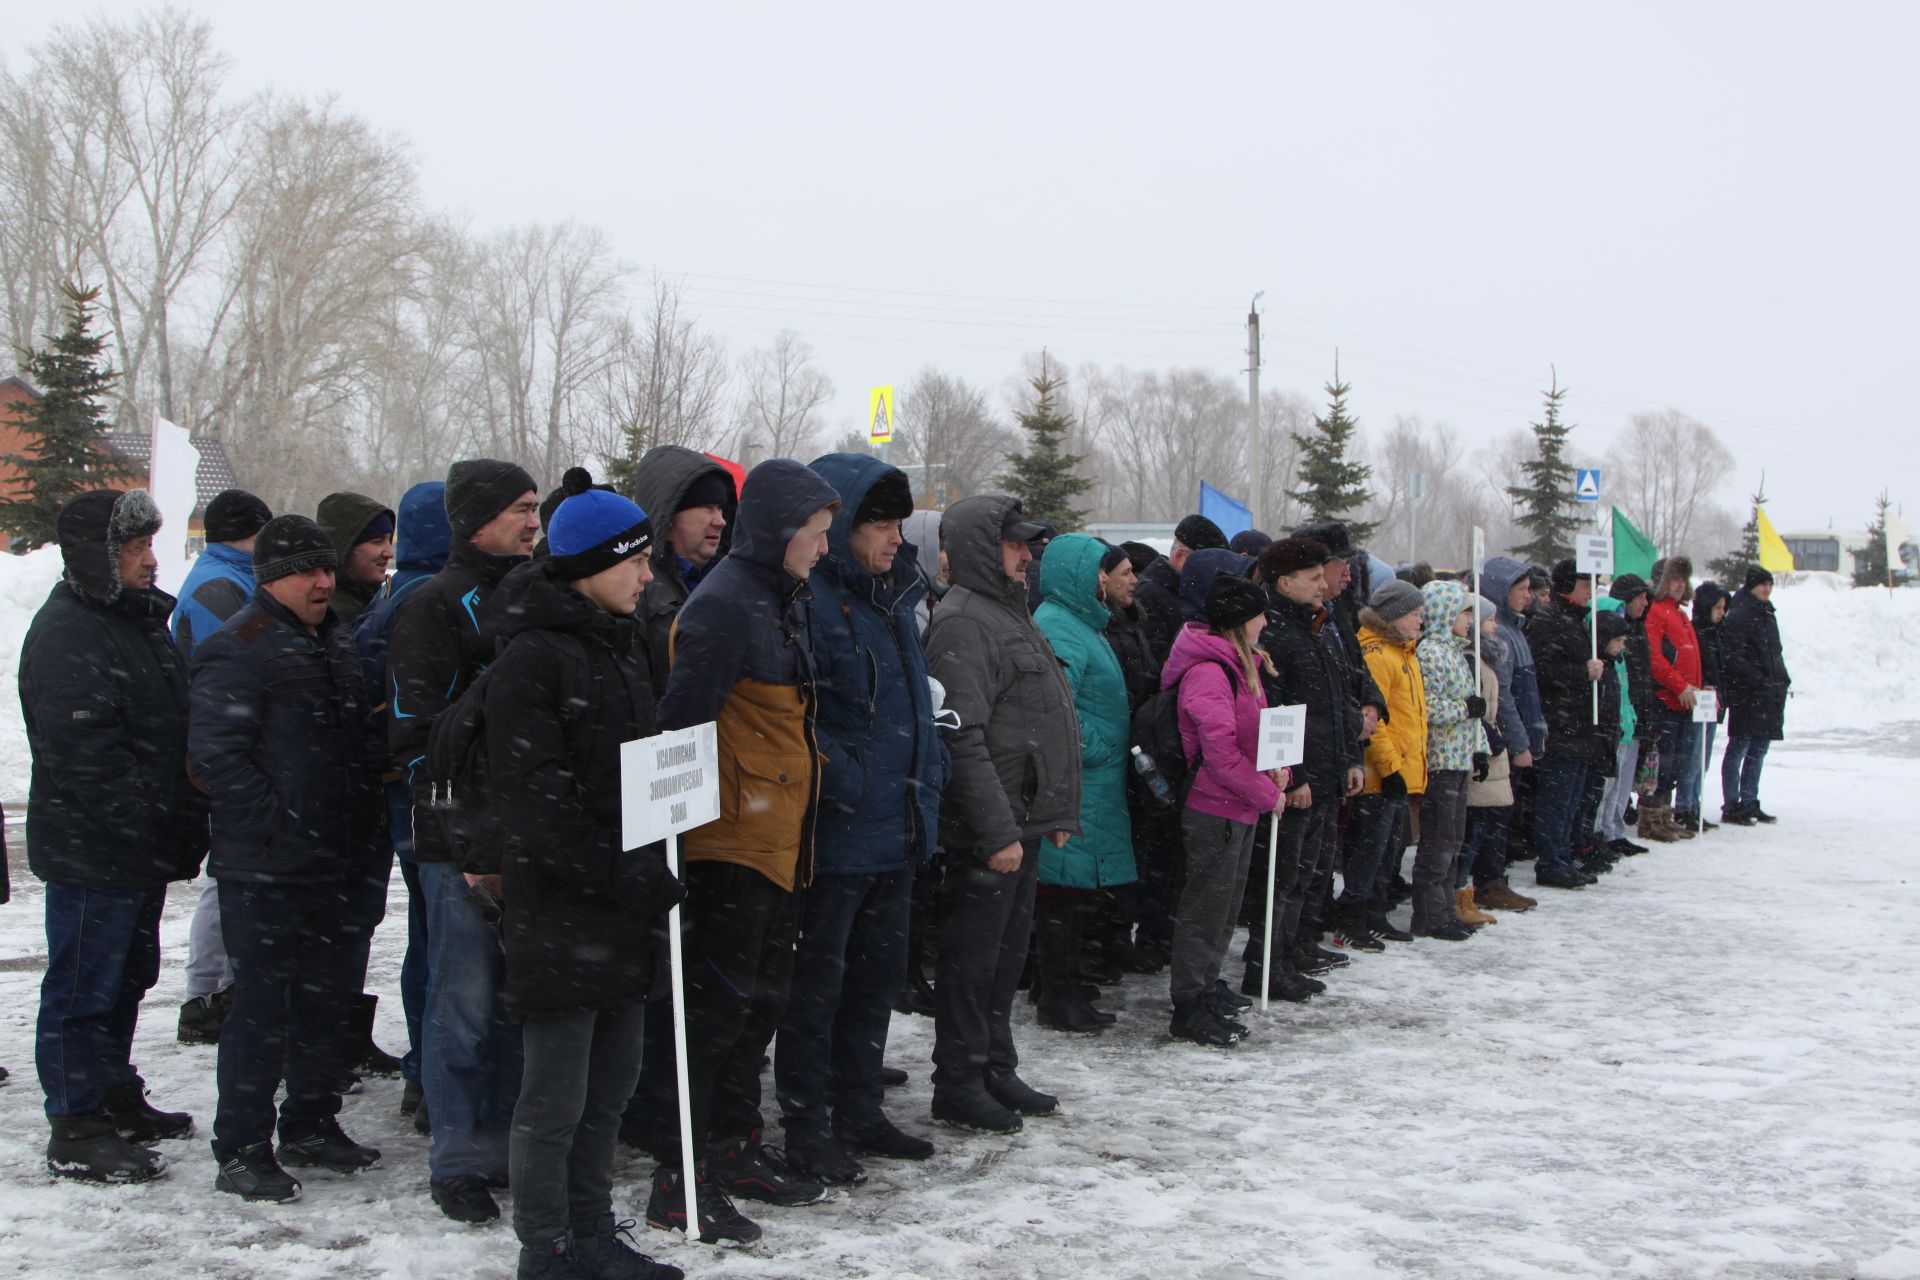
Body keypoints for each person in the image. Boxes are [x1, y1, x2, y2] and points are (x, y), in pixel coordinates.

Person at [478, 489, 685, 1280]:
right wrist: (621, 871)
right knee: (555, 1100)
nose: (645, 576)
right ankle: (548, 1247)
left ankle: (594, 1232)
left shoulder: (621, 643)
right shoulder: (533, 656)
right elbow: (536, 805)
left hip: (621, 905)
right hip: (562, 912)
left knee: (610, 1092)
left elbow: (635, 767)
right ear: (593, 565)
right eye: (633, 562)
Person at [644, 457, 842, 1244]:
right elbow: (679, 726)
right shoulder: (725, 606)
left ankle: (731, 1149)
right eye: (817, 535)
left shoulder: (776, 597)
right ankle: (679, 1179)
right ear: (780, 531)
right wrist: (673, 846)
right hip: (728, 849)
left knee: (756, 1010)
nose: (824, 550)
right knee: (710, 1020)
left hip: (777, 841)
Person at [189, 515, 387, 1203]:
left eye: (328, 569)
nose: (324, 581)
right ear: (272, 576)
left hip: (334, 862)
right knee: (261, 1010)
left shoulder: (334, 640)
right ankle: (241, 1145)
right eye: (309, 570)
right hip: (265, 868)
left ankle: (310, 1120)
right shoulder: (238, 646)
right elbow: (217, 757)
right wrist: (275, 827)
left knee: (325, 1003)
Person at [21, 488, 207, 1184]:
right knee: (82, 986)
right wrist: (144, 820)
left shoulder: (134, 621)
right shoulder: (72, 631)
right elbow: (83, 754)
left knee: (127, 976)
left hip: (135, 846)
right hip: (94, 848)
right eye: (133, 549)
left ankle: (109, 1089)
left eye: (148, 546)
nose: (149, 561)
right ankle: (75, 1120)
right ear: (98, 558)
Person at [774, 453, 945, 1190]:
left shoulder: (895, 596)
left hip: (896, 827)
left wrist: (921, 790)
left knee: (875, 983)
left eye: (899, 522)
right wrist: (849, 783)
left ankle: (860, 1109)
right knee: (817, 993)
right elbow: (799, 722)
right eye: (878, 521)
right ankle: (807, 1128)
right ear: (840, 524)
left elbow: (915, 712)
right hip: (836, 835)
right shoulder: (807, 601)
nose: (894, 537)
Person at [389, 458, 541, 1224]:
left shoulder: (538, 591)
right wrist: (464, 840)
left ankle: (508, 1145)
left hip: (532, 837)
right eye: (519, 507)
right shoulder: (435, 603)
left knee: (520, 1003)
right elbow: (415, 738)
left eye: (535, 505)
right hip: (463, 846)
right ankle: (458, 1157)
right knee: (464, 1004)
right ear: (477, 518)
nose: (532, 519)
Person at [923, 494, 1081, 1135]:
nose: (1027, 555)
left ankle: (994, 1066)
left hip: (1023, 824)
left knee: (1005, 957)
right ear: (983, 552)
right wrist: (997, 832)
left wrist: (1052, 813)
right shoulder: (963, 620)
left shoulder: (1009, 614)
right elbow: (962, 736)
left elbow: (1042, 720)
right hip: (991, 832)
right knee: (972, 961)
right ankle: (959, 1080)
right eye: (1015, 545)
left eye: (1027, 546)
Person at [352, 480, 452, 1127]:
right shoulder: (429, 597)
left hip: (403, 791)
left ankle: (424, 1068)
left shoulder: (390, 595)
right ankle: (432, 1072)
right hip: (428, 792)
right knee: (443, 937)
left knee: (428, 932)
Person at [1164, 573, 1284, 1046]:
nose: (1265, 622)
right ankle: (1189, 1002)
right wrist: (1266, 793)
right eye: (1259, 613)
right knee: (1205, 910)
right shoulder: (1210, 672)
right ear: (1238, 621)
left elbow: (1258, 738)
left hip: (1241, 805)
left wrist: (1280, 773)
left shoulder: (1242, 666)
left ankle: (1208, 987)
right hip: (1214, 807)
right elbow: (1220, 752)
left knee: (1225, 907)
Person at [171, 487, 272, 1047]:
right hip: (221, 748)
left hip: (221, 744)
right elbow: (233, 656)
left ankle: (217, 988)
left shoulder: (227, 577)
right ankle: (205, 993)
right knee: (225, 875)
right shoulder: (219, 585)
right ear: (250, 533)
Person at [1031, 534, 1138, 1032]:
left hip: (1092, 783)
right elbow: (1059, 706)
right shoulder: (1059, 625)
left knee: (1074, 896)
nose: (1105, 578)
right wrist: (1101, 748)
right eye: (1098, 569)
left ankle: (1067, 988)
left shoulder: (1081, 624)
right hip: (1080, 779)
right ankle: (1058, 997)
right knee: (1061, 896)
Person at [1244, 537, 1359, 989]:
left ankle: (1290, 954)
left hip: (1325, 772)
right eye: (1313, 578)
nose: (1322, 586)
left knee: (1307, 873)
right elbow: (1277, 713)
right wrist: (1295, 777)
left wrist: (1348, 758)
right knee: (1282, 876)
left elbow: (1333, 702)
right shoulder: (1274, 634)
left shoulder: (1313, 628)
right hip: (1296, 780)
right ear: (1285, 583)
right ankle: (1266, 966)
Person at [1339, 579, 1428, 946]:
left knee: (1388, 852)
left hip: (1399, 772)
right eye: (1414, 614)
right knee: (1369, 853)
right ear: (1393, 616)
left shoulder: (1404, 652)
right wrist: (1390, 769)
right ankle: (1355, 917)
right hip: (1380, 776)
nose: (1421, 621)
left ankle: (1375, 911)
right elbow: (1375, 722)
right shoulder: (1377, 653)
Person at [1411, 580, 1487, 940]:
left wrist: (1480, 746)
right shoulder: (1430, 653)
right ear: (1444, 614)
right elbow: (1426, 706)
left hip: (1458, 759)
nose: (1470, 620)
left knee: (1453, 840)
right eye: (1464, 612)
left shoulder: (1454, 652)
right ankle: (1430, 915)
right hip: (1440, 760)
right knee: (1438, 842)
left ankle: (1444, 909)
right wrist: (1464, 708)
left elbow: (1474, 710)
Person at [1528, 560, 1610, 890]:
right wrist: (1582, 674)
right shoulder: (1550, 620)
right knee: (1556, 799)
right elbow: (1545, 672)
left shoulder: (1577, 620)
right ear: (1567, 585)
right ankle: (1550, 860)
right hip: (1561, 725)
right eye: (1584, 583)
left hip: (1579, 725)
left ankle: (1562, 855)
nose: (1591, 589)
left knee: (1572, 799)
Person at [632, 445, 736, 692]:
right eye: (707, 507)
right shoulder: (638, 587)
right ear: (668, 517)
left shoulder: (732, 581)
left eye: (721, 508)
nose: (720, 520)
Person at [1717, 567, 1789, 825]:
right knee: (1739, 747)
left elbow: (1774, 652)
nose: (1766, 589)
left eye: (1769, 584)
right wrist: (1758, 680)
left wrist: (1781, 679)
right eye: (1762, 585)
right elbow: (1734, 658)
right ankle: (1732, 804)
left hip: (1768, 693)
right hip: (1748, 694)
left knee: (1758, 749)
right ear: (1750, 586)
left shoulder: (1767, 612)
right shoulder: (1739, 614)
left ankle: (1749, 802)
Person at [1643, 556, 1705, 841]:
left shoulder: (1679, 613)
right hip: (1666, 700)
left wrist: (1698, 688)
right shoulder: (1657, 611)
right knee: (1661, 762)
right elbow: (1655, 658)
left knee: (1676, 762)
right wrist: (1679, 686)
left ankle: (1664, 815)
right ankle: (1650, 818)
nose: (1680, 585)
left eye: (1683, 579)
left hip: (1684, 702)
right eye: (1675, 578)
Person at [1135, 514, 1228, 664]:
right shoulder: (1149, 595)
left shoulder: (1185, 591)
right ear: (1180, 557)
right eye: (1209, 566)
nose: (1213, 576)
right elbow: (1156, 664)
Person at [1679, 581, 1732, 831]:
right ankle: (1685, 806)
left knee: (1703, 759)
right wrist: (1704, 684)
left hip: (1712, 702)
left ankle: (1694, 804)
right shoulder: (1697, 631)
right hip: (1700, 700)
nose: (1722, 613)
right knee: (1693, 757)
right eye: (1718, 607)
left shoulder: (1715, 632)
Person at [317, 491, 396, 625]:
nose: (389, 553)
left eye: (389, 540)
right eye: (377, 541)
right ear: (345, 548)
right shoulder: (326, 618)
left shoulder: (379, 601)